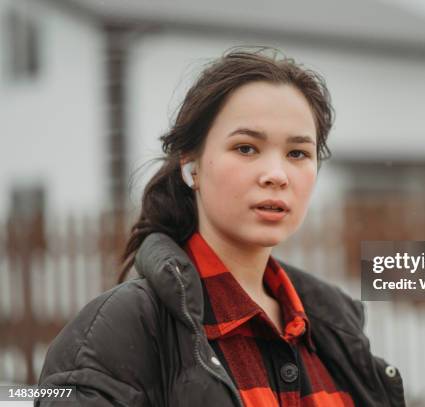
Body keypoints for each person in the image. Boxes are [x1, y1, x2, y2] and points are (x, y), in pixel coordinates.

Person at [36, 48, 405, 406]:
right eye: (246, 148)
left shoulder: (334, 330)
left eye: (297, 153)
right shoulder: (121, 329)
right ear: (191, 165)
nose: (276, 175)